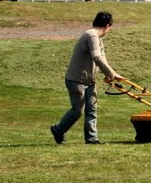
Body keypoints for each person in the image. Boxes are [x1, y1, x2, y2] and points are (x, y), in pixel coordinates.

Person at [51, 12, 123, 145]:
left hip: (89, 80)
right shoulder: (91, 35)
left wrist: (108, 75)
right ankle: (58, 129)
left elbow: (102, 59)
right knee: (77, 111)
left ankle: (92, 139)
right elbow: (96, 57)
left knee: (92, 110)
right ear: (107, 26)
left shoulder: (98, 38)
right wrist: (113, 74)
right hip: (76, 79)